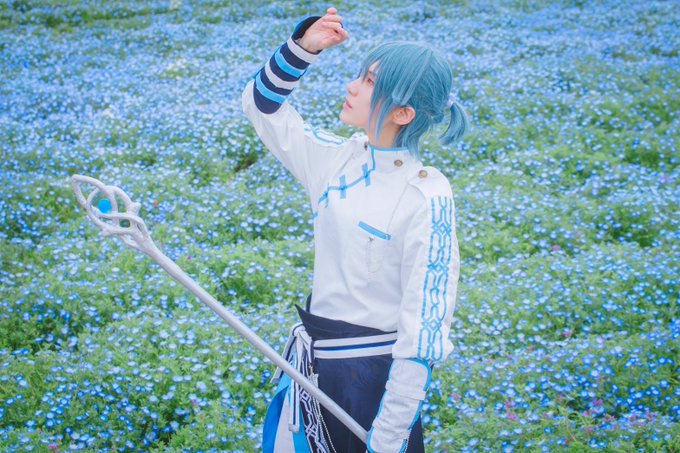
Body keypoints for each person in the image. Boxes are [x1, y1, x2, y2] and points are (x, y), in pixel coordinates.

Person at [242, 6, 469, 453]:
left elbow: (422, 333)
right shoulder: (337, 160)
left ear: (403, 113)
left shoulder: (427, 195)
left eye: (369, 82)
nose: (351, 86)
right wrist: (302, 49)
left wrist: (389, 436)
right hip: (311, 373)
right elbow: (262, 107)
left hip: (373, 389)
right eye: (360, 75)